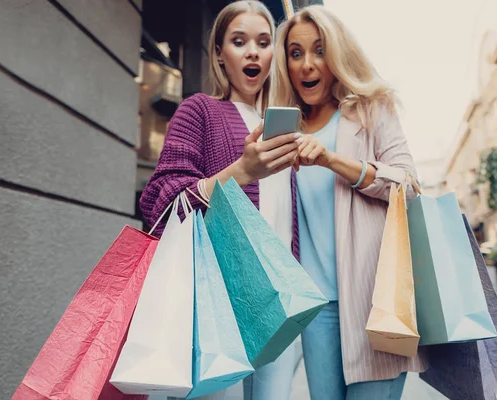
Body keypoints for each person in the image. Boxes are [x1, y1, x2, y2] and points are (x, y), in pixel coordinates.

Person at [139, 2, 299, 399]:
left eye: (264, 42)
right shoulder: (200, 111)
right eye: (238, 41)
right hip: (218, 304)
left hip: (278, 305)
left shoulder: (283, 125)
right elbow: (160, 203)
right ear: (218, 54)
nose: (252, 52)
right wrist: (240, 172)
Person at [272, 5, 429, 400]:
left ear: (337, 55)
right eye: (295, 53)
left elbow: (407, 184)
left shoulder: (370, 109)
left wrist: (330, 160)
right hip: (316, 309)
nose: (307, 65)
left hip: (377, 300)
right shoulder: (281, 128)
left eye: (320, 51)